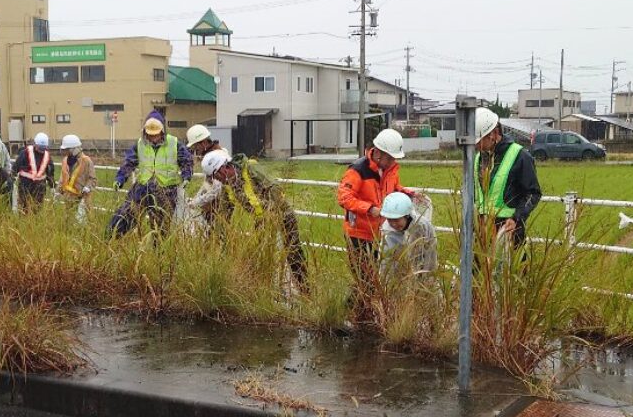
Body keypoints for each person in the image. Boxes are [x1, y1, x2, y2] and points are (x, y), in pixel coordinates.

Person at [193, 149, 309, 290]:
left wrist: (272, 212)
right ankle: (266, 291)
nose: (216, 180)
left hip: (282, 215)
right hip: (261, 220)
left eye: (215, 175)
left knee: (293, 252)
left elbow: (275, 188)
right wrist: (217, 232)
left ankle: (305, 290)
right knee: (261, 256)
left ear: (223, 168)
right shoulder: (228, 186)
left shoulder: (250, 168)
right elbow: (225, 212)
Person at [336, 128, 415, 313]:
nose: (392, 161)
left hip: (383, 231)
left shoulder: (391, 170)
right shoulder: (357, 170)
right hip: (359, 233)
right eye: (389, 157)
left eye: (394, 158)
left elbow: (394, 188)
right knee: (366, 278)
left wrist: (407, 193)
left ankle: (357, 314)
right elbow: (344, 198)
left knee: (378, 276)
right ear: (377, 152)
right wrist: (370, 209)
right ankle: (355, 313)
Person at [108, 111, 193, 237]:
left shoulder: (174, 143)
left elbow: (187, 161)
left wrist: (186, 176)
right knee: (124, 214)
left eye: (156, 135)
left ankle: (159, 252)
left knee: (161, 226)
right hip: (142, 187)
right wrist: (120, 179)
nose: (153, 138)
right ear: (144, 132)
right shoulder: (139, 144)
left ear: (162, 131)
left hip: (166, 190)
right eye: (150, 135)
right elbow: (128, 163)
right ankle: (111, 238)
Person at [473, 107, 542, 248]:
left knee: (510, 270)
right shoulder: (478, 158)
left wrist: (516, 218)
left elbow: (533, 193)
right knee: (479, 269)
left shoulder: (520, 156)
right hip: (481, 229)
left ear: (494, 134)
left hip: (508, 229)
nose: (475, 145)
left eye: (479, 140)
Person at [378, 191, 438, 277]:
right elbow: (386, 262)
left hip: (422, 266)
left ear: (407, 216)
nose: (393, 224)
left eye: (396, 220)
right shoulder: (388, 232)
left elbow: (428, 258)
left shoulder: (421, 227)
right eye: (389, 220)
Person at [58, 134, 96, 223]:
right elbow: (63, 176)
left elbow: (93, 178)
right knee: (67, 218)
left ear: (74, 149)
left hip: (84, 195)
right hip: (70, 195)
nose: (66, 152)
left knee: (89, 217)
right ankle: (68, 232)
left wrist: (88, 187)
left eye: (67, 150)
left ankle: (90, 233)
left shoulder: (86, 161)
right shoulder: (66, 160)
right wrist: (59, 189)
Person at [14, 132, 54, 213]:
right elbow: (16, 166)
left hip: (40, 188)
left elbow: (50, 172)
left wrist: (52, 185)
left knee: (37, 209)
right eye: (40, 148)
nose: (42, 150)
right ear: (35, 144)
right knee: (23, 209)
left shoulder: (47, 156)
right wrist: (12, 178)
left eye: (43, 148)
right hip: (25, 186)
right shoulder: (25, 153)